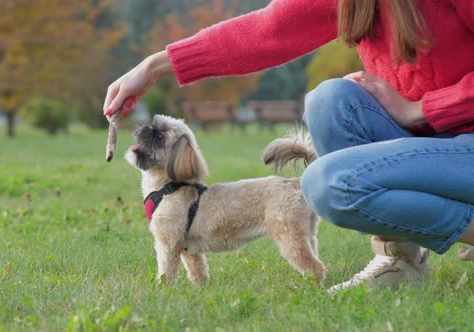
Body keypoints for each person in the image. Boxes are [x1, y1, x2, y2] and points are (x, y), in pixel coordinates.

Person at [103, 0, 474, 291]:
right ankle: (400, 262)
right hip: (430, 145)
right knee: (330, 101)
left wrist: (419, 108)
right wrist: (152, 67)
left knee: (330, 185)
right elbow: (269, 30)